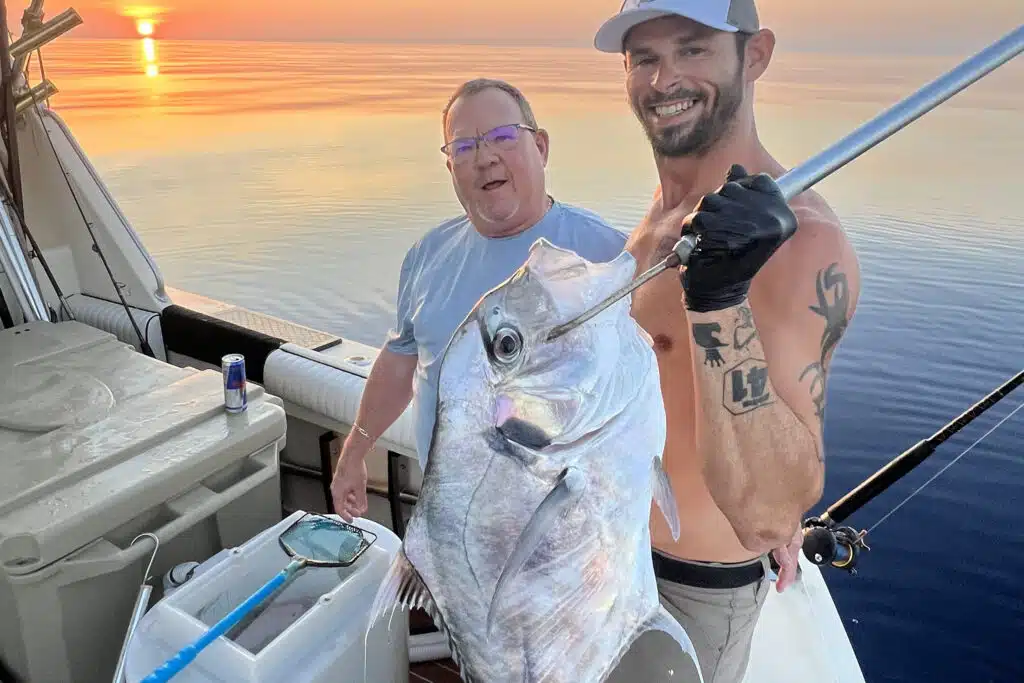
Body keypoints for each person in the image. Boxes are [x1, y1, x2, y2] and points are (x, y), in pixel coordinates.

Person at [594, 1, 862, 681]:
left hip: (685, 592)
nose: (664, 80)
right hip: (605, 556)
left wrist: (718, 300)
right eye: (645, 58)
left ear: (756, 54)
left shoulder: (804, 241)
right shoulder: (663, 216)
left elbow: (770, 514)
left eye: (692, 50)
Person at [330, 77, 628, 520]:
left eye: (503, 137)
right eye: (464, 147)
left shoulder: (608, 259)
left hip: (567, 529)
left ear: (541, 147)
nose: (485, 158)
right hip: (449, 519)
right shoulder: (428, 255)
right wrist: (355, 450)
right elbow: (401, 361)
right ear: (450, 167)